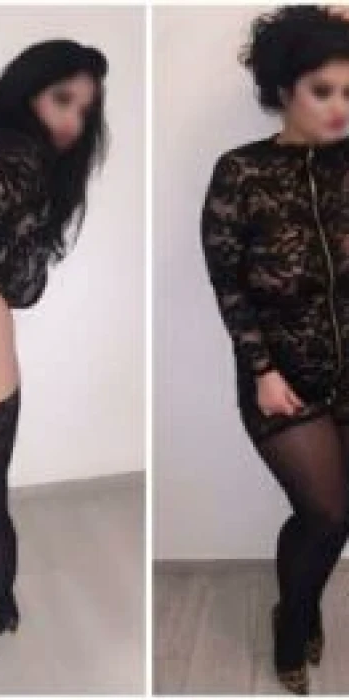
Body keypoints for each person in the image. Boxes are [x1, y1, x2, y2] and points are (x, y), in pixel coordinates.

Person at [200, 5, 349, 694]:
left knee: (337, 518)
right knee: (326, 513)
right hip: (281, 379)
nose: (340, 107)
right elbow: (228, 285)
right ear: (285, 89)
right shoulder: (241, 172)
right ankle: (292, 623)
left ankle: (302, 602)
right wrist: (260, 369)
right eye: (323, 90)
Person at [0, 38, 109, 661]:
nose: (73, 122)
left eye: (85, 111)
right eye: (61, 99)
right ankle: (0, 602)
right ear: (25, 91)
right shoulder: (14, 154)